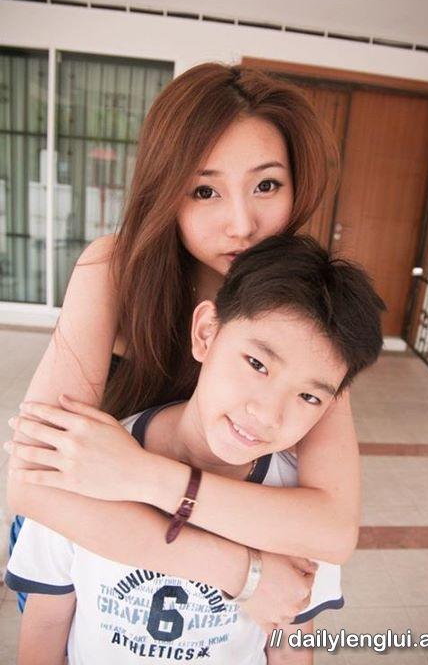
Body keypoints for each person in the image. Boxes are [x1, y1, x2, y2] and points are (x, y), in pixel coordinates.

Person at [6, 63, 360, 629]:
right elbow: (32, 483)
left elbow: (333, 528)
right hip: (87, 550)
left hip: (181, 564)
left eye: (266, 185)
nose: (241, 224)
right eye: (205, 190)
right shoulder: (115, 271)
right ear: (166, 192)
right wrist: (241, 572)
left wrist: (145, 477)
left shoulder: (305, 309)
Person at [6, 234, 384, 665]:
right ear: (206, 333)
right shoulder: (85, 461)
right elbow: (47, 622)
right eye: (257, 364)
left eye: (309, 397)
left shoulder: (298, 513)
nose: (267, 415)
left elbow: (289, 645)